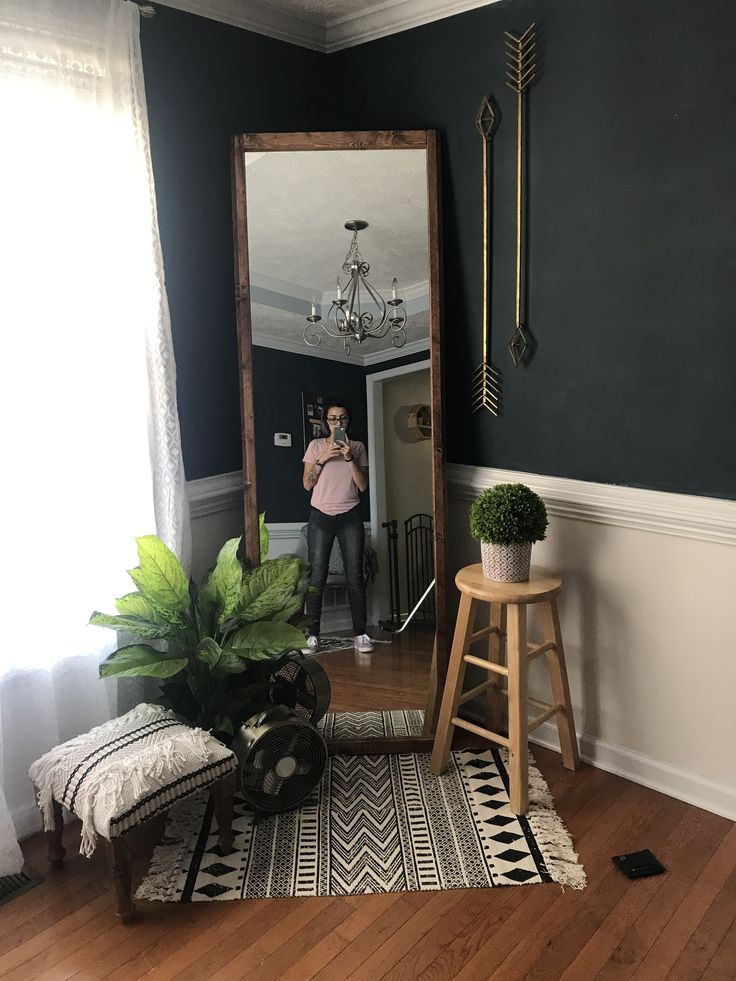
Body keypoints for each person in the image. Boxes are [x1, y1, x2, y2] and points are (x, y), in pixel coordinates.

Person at [302, 402, 374, 654]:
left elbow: (363, 486)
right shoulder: (315, 447)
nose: (337, 423)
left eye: (342, 418)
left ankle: (360, 634)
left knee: (355, 576)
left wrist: (348, 457)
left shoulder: (358, 447)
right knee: (317, 577)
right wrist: (322, 459)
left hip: (349, 517)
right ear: (326, 422)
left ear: (348, 421)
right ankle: (313, 635)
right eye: (332, 419)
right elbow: (306, 484)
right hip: (320, 517)